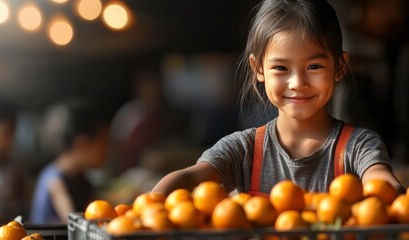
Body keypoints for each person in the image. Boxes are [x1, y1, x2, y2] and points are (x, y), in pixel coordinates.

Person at [152, 0, 405, 195]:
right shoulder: (243, 150)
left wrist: (386, 193)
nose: (297, 83)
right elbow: (190, 178)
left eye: (314, 66)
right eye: (281, 68)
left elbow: (381, 182)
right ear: (258, 69)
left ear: (339, 66)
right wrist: (153, 206)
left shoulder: (359, 146)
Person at [30, 100, 110, 223]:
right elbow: (75, 225)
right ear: (81, 143)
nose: (106, 148)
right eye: (103, 141)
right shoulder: (55, 182)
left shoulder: (79, 177)